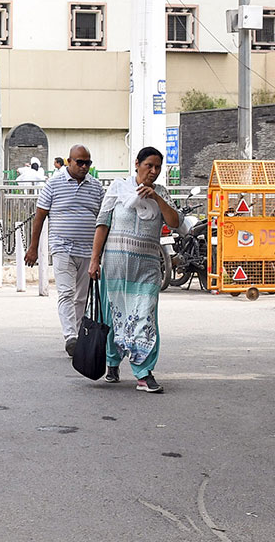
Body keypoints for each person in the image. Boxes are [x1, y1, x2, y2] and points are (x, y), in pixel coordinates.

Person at [88, 146, 181, 393]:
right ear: (137, 164)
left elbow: (175, 222)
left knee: (145, 317)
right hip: (116, 267)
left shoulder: (161, 193)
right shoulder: (118, 188)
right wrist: (94, 260)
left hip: (147, 268)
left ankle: (143, 372)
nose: (153, 171)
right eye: (149, 165)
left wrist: (157, 199)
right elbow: (102, 224)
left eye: (158, 167)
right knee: (113, 316)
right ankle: (112, 362)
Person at [24, 146, 103, 356]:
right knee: (66, 293)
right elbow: (40, 216)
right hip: (62, 247)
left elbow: (104, 221)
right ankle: (70, 336)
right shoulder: (54, 184)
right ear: (69, 161)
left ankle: (77, 335)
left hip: (88, 250)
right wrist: (33, 248)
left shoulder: (96, 187)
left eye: (88, 163)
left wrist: (101, 253)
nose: (84, 166)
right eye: (80, 162)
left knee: (81, 296)